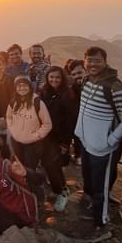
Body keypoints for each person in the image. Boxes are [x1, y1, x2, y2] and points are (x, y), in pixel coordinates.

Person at [75, 47, 122, 241]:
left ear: (105, 61)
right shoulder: (86, 80)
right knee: (88, 180)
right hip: (87, 143)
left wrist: (110, 141)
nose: (92, 64)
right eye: (89, 60)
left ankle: (101, 223)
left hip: (103, 148)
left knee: (100, 188)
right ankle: (92, 209)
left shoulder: (114, 86)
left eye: (97, 61)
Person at [6, 75, 52, 200]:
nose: (22, 87)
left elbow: (47, 124)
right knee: (18, 166)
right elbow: (8, 117)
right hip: (16, 141)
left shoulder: (38, 102)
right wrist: (13, 131)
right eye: (19, 85)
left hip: (33, 143)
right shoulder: (13, 101)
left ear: (30, 87)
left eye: (24, 85)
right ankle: (22, 191)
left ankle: (36, 194)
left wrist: (36, 135)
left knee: (29, 169)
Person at [39, 66, 73, 212]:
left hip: (59, 138)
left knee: (52, 165)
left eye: (57, 77)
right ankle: (59, 188)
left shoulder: (67, 94)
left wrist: (66, 142)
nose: (54, 80)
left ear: (62, 78)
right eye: (51, 77)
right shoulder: (44, 92)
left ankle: (62, 193)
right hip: (45, 136)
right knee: (49, 165)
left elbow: (71, 120)